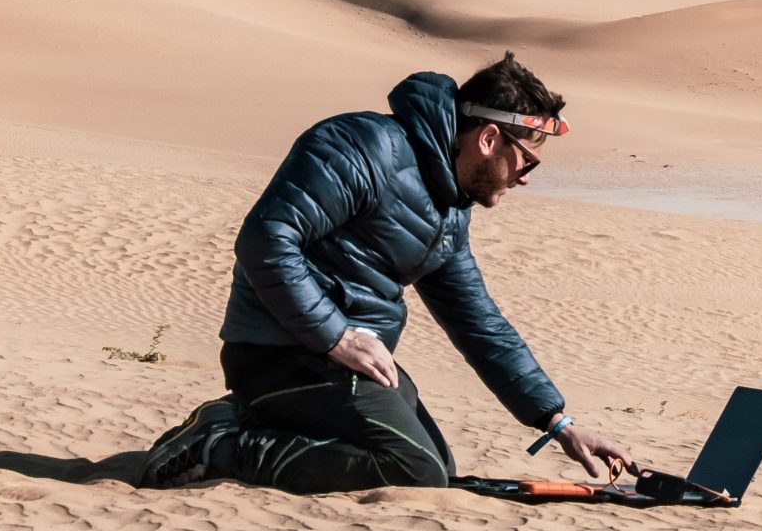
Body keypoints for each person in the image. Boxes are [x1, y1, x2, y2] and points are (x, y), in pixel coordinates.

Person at [139, 52, 634, 492]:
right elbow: (265, 239)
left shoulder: (447, 206)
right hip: (280, 353)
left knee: (436, 466)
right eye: (528, 162)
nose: (526, 178)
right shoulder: (362, 147)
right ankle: (223, 447)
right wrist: (335, 336)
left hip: (341, 360)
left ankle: (236, 422)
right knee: (413, 471)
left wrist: (558, 422)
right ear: (488, 139)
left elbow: (478, 321)